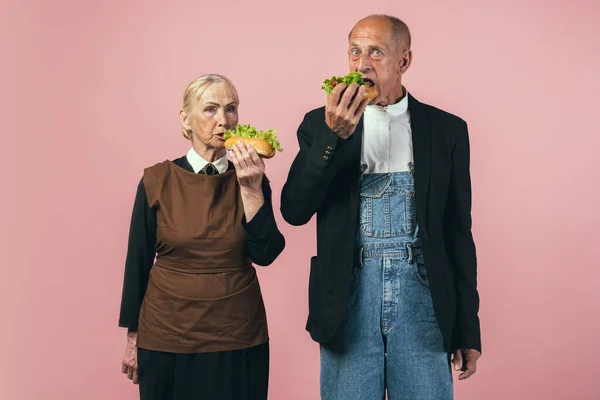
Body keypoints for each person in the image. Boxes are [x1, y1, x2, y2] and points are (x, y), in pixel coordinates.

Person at [280, 14, 481, 399]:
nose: (361, 64)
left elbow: (458, 233)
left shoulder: (447, 130)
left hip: (424, 300)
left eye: (375, 52)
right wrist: (332, 136)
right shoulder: (318, 125)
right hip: (347, 298)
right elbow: (294, 210)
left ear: (403, 61)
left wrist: (467, 329)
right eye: (355, 52)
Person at [118, 74, 285, 400]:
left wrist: (250, 189)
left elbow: (266, 253)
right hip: (167, 336)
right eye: (210, 109)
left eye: (231, 108)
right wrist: (132, 338)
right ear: (186, 118)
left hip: (238, 335)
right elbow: (137, 261)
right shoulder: (157, 179)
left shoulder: (251, 176)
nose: (224, 120)